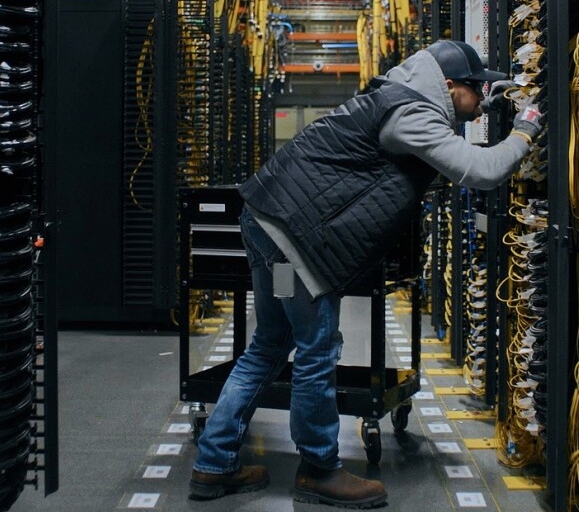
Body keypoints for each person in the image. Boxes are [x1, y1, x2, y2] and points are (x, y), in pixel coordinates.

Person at [188, 40, 544, 508]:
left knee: (270, 345)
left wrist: (488, 104)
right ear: (451, 85)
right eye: (476, 92)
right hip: (297, 235)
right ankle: (319, 469)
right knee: (317, 351)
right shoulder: (412, 114)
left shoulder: (396, 98)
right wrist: (525, 129)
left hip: (266, 217)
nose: (479, 104)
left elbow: (434, 137)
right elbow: (480, 170)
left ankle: (213, 466)